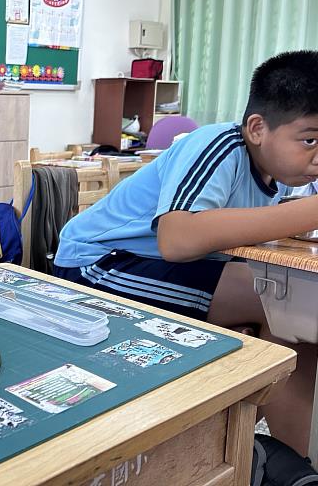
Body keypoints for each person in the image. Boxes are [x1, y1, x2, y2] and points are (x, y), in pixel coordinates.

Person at [53, 50, 318, 456]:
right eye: (310, 139)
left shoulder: (285, 173)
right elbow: (176, 240)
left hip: (178, 266)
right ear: (257, 128)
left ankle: (277, 457)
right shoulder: (218, 146)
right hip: (97, 264)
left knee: (296, 308)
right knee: (287, 305)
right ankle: (281, 460)